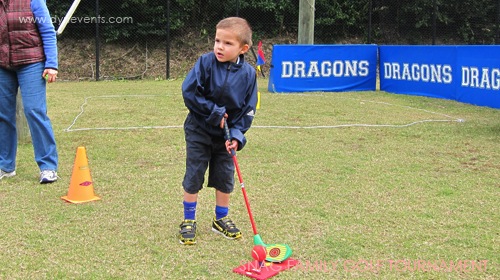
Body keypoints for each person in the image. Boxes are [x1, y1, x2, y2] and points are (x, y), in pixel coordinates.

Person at [179, 17, 258, 245]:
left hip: (226, 136)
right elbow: (189, 93)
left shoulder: (249, 75)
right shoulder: (205, 63)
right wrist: (214, 111)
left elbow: (248, 109)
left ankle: (220, 219)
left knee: (224, 176)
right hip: (199, 129)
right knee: (194, 173)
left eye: (227, 43)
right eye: (217, 41)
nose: (219, 47)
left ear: (243, 48)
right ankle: (188, 219)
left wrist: (236, 135)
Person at [0, 0, 59, 183]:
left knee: (35, 111)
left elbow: (48, 32)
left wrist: (51, 64)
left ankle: (48, 167)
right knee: (3, 115)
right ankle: (5, 166)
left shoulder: (33, 1)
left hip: (32, 63)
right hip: (2, 65)